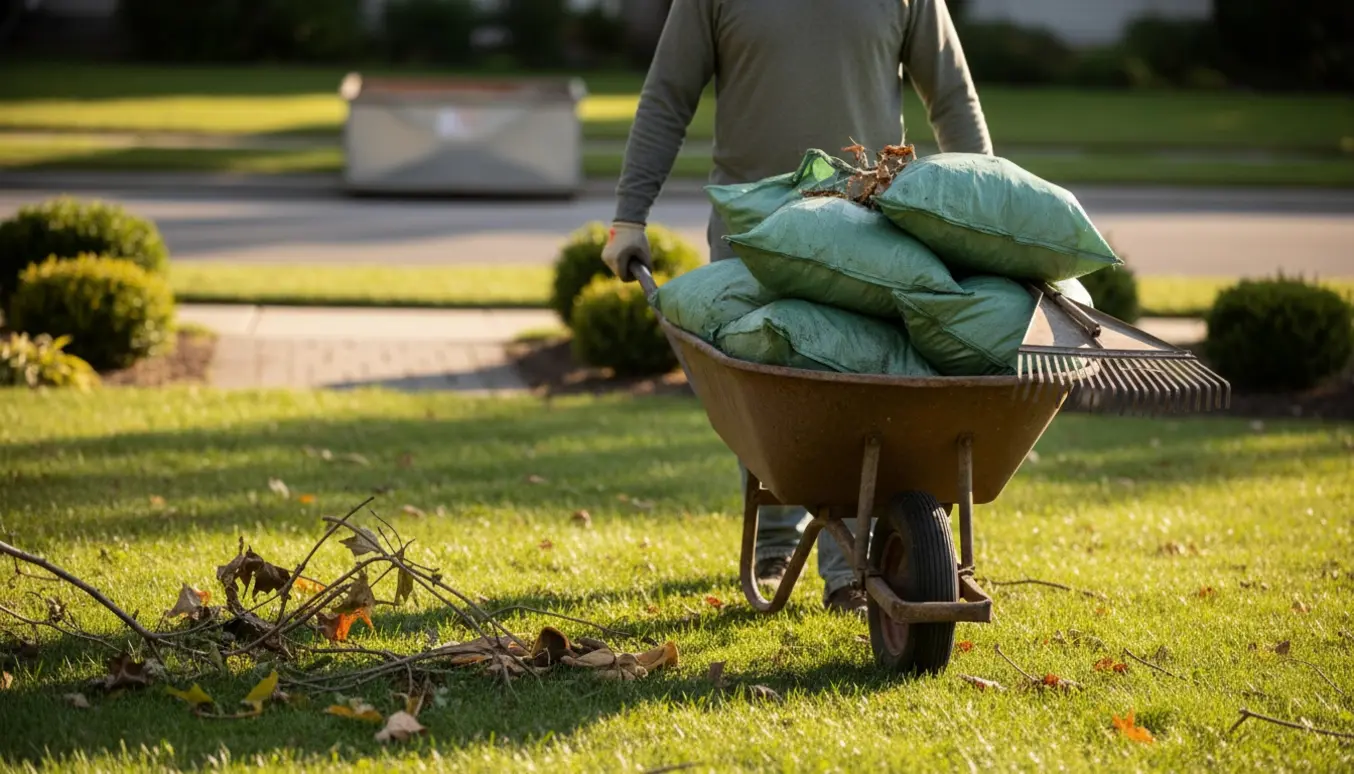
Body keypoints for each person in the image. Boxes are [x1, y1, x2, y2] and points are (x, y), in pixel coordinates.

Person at [601, 0, 992, 615]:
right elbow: (667, 96)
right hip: (752, 230)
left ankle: (847, 568)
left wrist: (985, 222)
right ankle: (776, 545)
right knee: (772, 383)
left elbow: (952, 100)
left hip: (867, 230)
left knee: (860, 383)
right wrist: (629, 214)